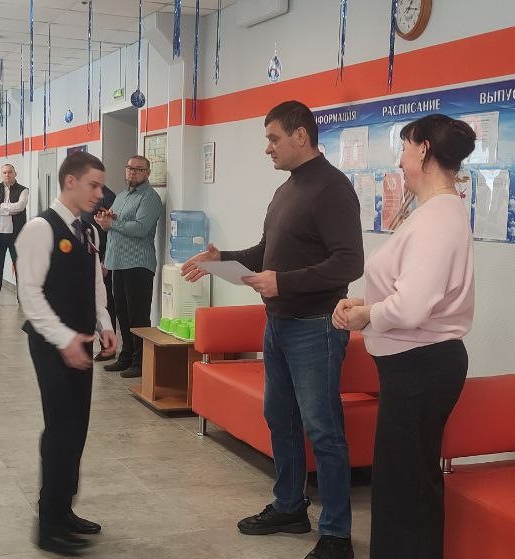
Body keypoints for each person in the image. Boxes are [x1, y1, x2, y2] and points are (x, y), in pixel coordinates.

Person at [182, 100, 364, 559]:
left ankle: (337, 535)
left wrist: (283, 282)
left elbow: (349, 263)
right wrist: (220, 260)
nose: (268, 148)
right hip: (278, 324)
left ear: (300, 136)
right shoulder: (287, 190)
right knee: (279, 418)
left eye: (273, 138)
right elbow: (266, 251)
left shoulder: (333, 188)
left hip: (316, 327)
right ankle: (289, 507)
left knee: (323, 430)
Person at [332, 114, 476, 559]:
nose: (399, 159)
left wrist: (366, 315)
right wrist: (367, 305)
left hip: (421, 367)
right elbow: (410, 292)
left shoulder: (438, 218)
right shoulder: (435, 212)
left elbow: (413, 307)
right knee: (403, 483)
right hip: (415, 366)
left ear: (424, 151)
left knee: (406, 490)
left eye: (405, 147)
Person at [15, 151, 116, 555]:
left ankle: (64, 509)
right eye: (93, 185)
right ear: (70, 181)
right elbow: (29, 295)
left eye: (101, 186)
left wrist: (105, 325)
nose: (100, 193)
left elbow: (95, 284)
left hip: (81, 341)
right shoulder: (40, 228)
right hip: (51, 343)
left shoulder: (88, 230)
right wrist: (63, 339)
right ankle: (48, 524)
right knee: (59, 429)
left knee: (77, 427)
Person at [94, 155, 163, 378]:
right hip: (118, 262)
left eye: (138, 169)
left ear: (147, 173)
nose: (132, 172)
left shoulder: (150, 198)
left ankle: (140, 361)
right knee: (122, 314)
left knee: (138, 316)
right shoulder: (121, 196)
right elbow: (112, 227)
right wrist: (106, 221)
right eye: (129, 168)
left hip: (138, 264)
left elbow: (141, 228)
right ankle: (126, 356)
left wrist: (113, 222)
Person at [0, 164, 28, 307]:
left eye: (10, 172)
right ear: (1, 174)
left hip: (16, 235)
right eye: (4, 172)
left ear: (15, 173)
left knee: (20, 267)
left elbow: (20, 207)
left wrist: (1, 206)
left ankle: (23, 300)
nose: (7, 175)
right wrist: (10, 209)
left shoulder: (23, 190)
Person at [84, 184, 117, 361]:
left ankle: (108, 347)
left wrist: (106, 261)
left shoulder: (108, 197)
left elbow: (112, 232)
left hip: (102, 260)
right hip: (86, 258)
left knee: (105, 304)